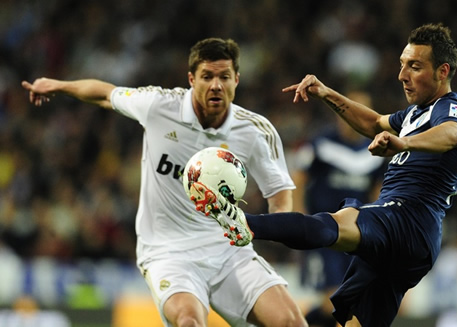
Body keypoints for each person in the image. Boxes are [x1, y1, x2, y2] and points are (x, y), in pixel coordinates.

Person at [188, 23, 457, 327]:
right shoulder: (416, 113)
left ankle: (243, 224)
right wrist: (326, 93)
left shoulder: (451, 109)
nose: (403, 75)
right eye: (403, 65)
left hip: (408, 220)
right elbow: (374, 122)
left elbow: (453, 134)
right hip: (407, 240)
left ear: (443, 72)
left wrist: (405, 142)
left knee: (332, 223)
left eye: (414, 66)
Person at [21, 38, 307, 327]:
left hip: (229, 252)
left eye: (224, 77)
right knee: (189, 321)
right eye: (207, 76)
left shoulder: (255, 131)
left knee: (291, 322)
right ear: (191, 79)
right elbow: (106, 95)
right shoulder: (159, 105)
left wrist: (262, 230)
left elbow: (279, 194)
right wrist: (58, 85)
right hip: (168, 252)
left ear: (237, 79)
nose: (216, 85)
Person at [292, 91, 385, 327]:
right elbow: (299, 178)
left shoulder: (377, 150)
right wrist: (299, 218)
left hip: (357, 236)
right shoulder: (321, 143)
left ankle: (301, 319)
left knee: (351, 302)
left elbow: (378, 191)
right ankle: (295, 320)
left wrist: (379, 228)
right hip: (325, 232)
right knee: (334, 301)